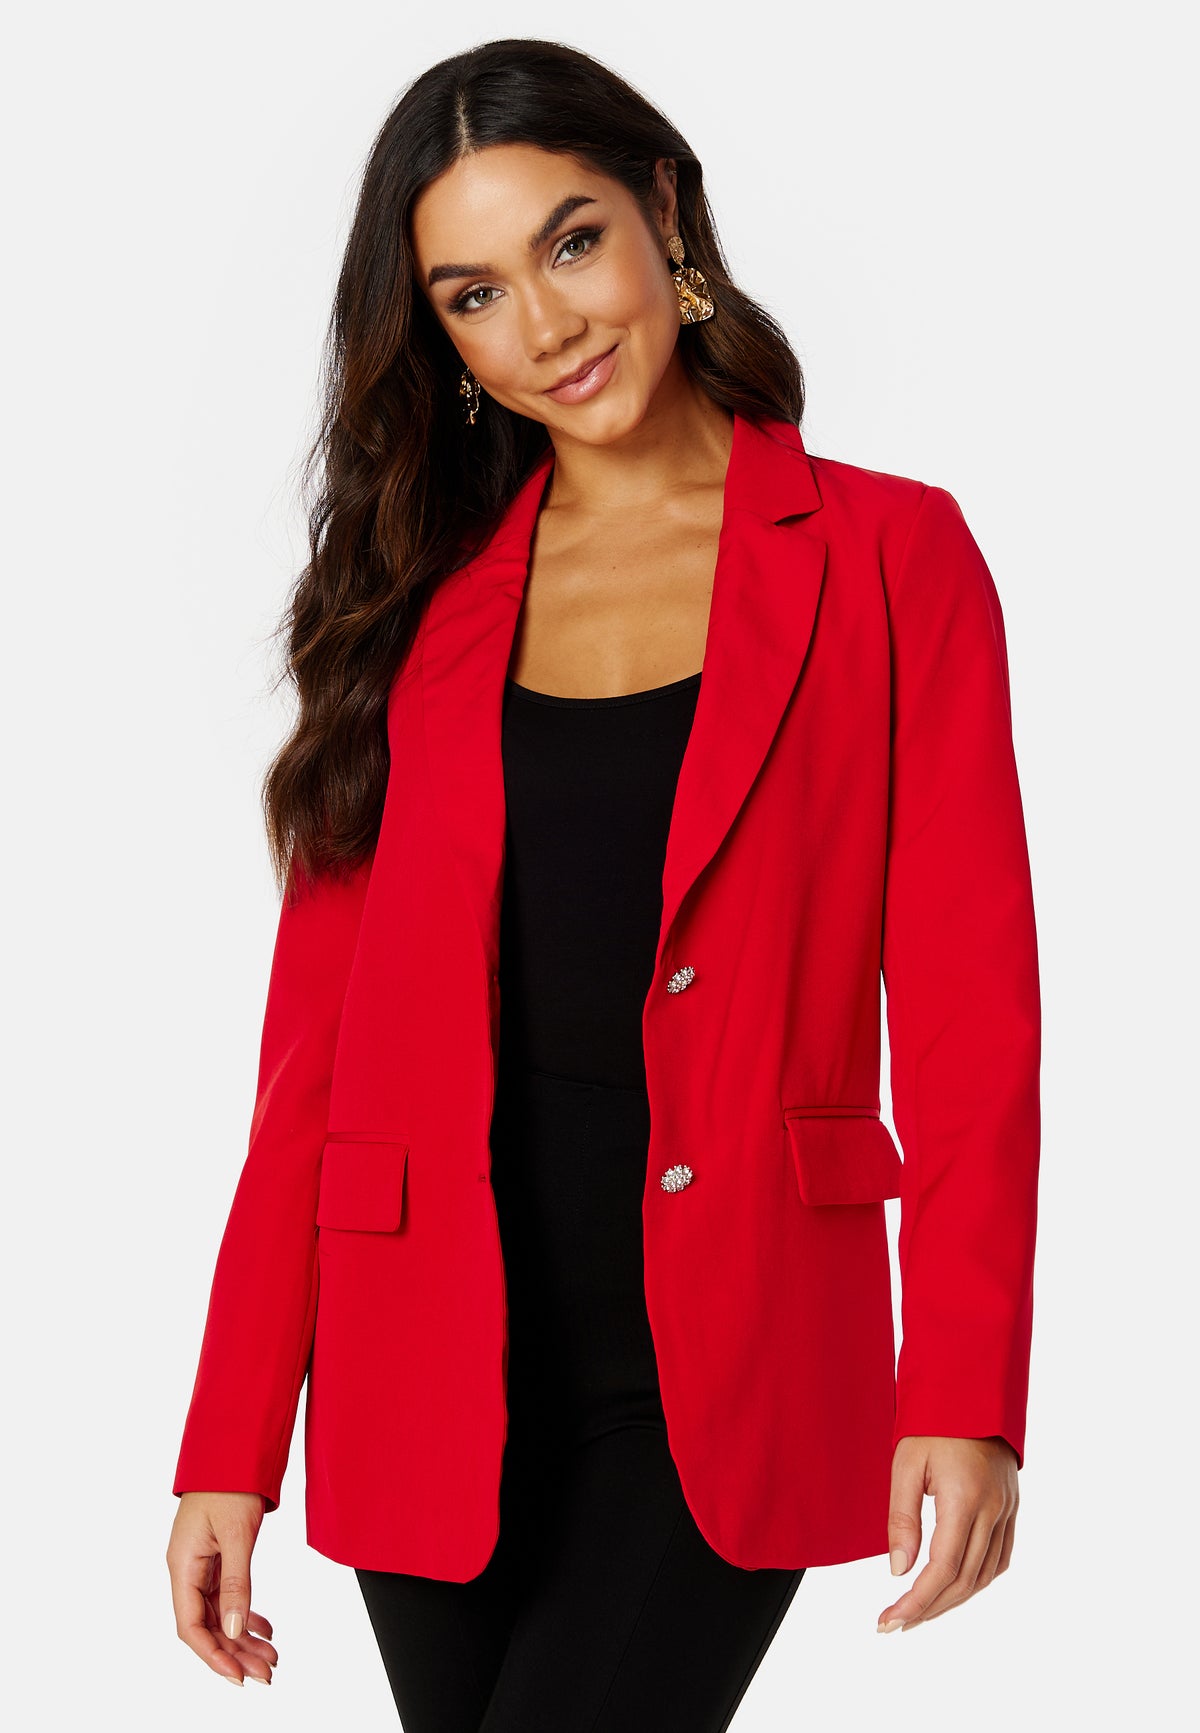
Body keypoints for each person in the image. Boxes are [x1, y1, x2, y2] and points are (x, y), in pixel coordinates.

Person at [165, 36, 1041, 1732]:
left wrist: (967, 1383)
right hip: (429, 1359)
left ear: (665, 213)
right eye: (476, 295)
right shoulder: (412, 609)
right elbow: (310, 1066)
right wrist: (228, 1442)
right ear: (445, 342)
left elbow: (969, 1013)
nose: (548, 324)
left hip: (728, 1352)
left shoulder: (890, 559)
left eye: (571, 242)